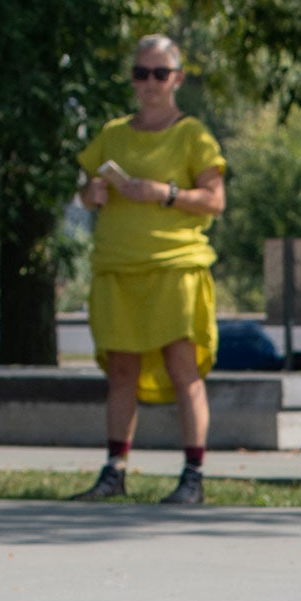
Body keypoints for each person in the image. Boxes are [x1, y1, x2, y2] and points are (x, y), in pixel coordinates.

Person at [70, 34, 227, 506]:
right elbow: (85, 185)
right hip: (118, 268)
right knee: (121, 371)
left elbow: (216, 201)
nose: (150, 83)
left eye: (160, 73)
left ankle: (193, 475)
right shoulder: (113, 132)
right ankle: (114, 471)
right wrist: (90, 194)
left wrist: (166, 193)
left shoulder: (193, 134)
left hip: (174, 267)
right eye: (141, 73)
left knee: (184, 368)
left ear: (177, 78)